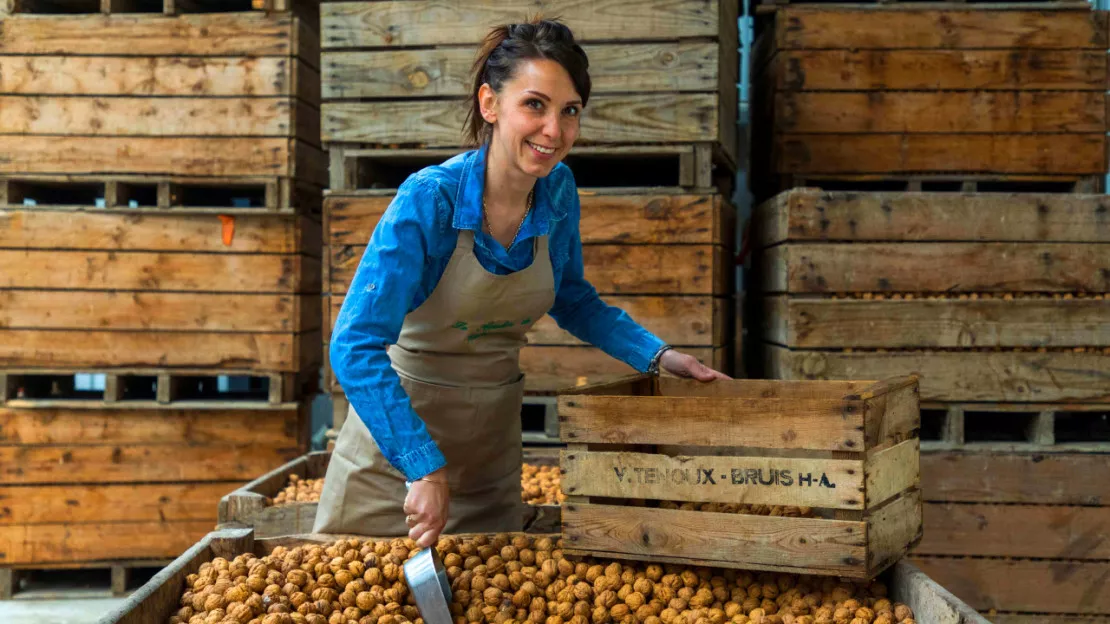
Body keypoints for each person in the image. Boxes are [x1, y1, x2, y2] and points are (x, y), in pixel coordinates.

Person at [314, 17, 731, 547]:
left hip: (489, 464)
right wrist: (422, 467)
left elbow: (573, 299)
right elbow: (354, 345)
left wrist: (659, 356)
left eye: (569, 111)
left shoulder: (556, 194)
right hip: (393, 469)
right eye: (534, 105)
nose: (553, 131)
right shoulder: (429, 200)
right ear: (490, 105)